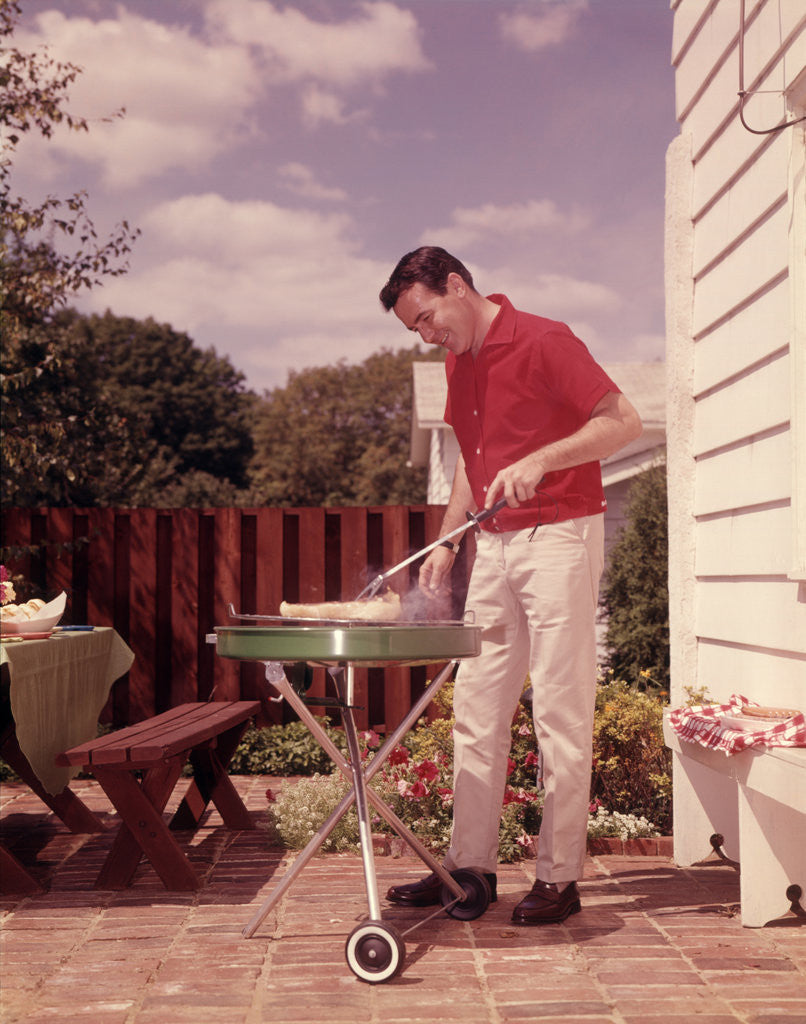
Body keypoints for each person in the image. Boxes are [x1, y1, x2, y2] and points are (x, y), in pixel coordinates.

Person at [378, 247, 642, 924]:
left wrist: (544, 460)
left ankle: (560, 879)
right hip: (492, 547)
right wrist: (452, 536)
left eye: (428, 317)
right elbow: (472, 461)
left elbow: (623, 422)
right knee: (478, 707)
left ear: (459, 286)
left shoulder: (547, 339)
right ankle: (470, 871)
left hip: (558, 537)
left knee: (558, 711)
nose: (427, 334)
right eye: (415, 329)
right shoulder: (458, 362)